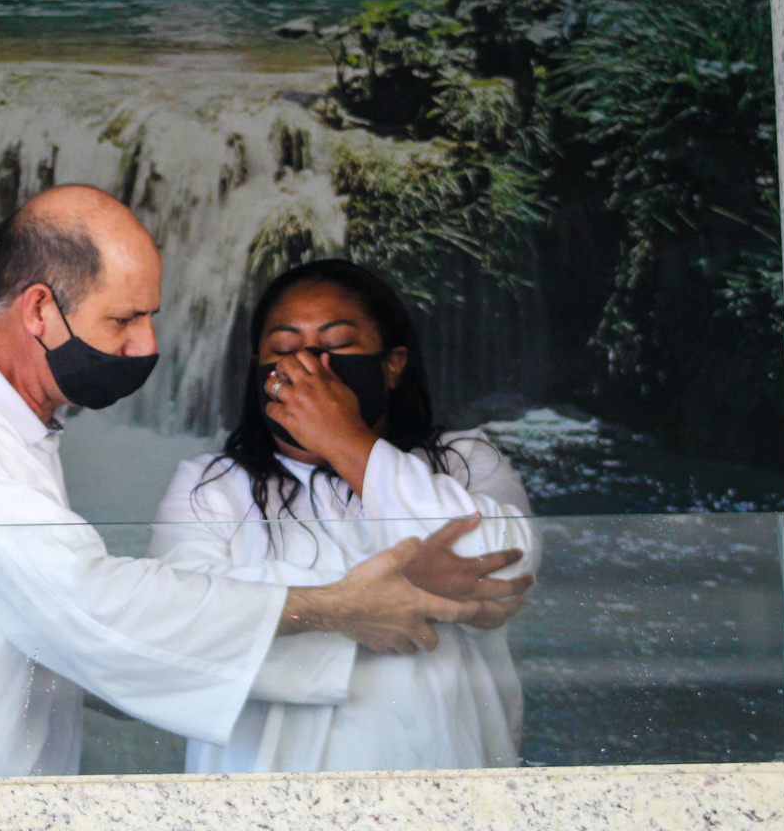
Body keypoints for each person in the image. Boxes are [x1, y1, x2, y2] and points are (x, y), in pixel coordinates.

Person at [0, 185, 530, 780]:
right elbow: (91, 609)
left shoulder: (1, 428)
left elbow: (92, 635)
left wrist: (334, 603)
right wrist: (339, 606)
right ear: (40, 309)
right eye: (125, 320)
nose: (147, 346)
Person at [149, 259, 541, 772]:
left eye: (335, 344)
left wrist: (344, 439)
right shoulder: (210, 484)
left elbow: (504, 571)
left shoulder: (466, 459)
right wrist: (367, 598)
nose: (309, 367)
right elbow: (182, 628)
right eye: (284, 349)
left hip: (449, 784)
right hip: (264, 791)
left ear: (393, 364)